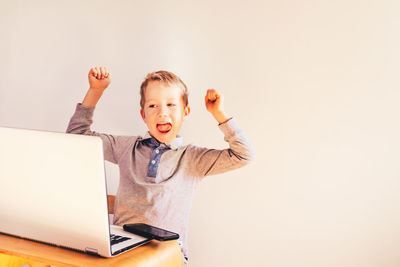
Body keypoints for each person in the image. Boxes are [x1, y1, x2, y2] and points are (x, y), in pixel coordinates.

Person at [66, 66, 255, 263]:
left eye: (171, 105)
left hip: (168, 255)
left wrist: (218, 114)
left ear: (185, 112)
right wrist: (96, 91)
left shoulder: (193, 158)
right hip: (124, 252)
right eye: (153, 106)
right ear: (143, 116)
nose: (162, 112)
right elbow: (76, 136)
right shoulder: (127, 147)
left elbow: (244, 155)